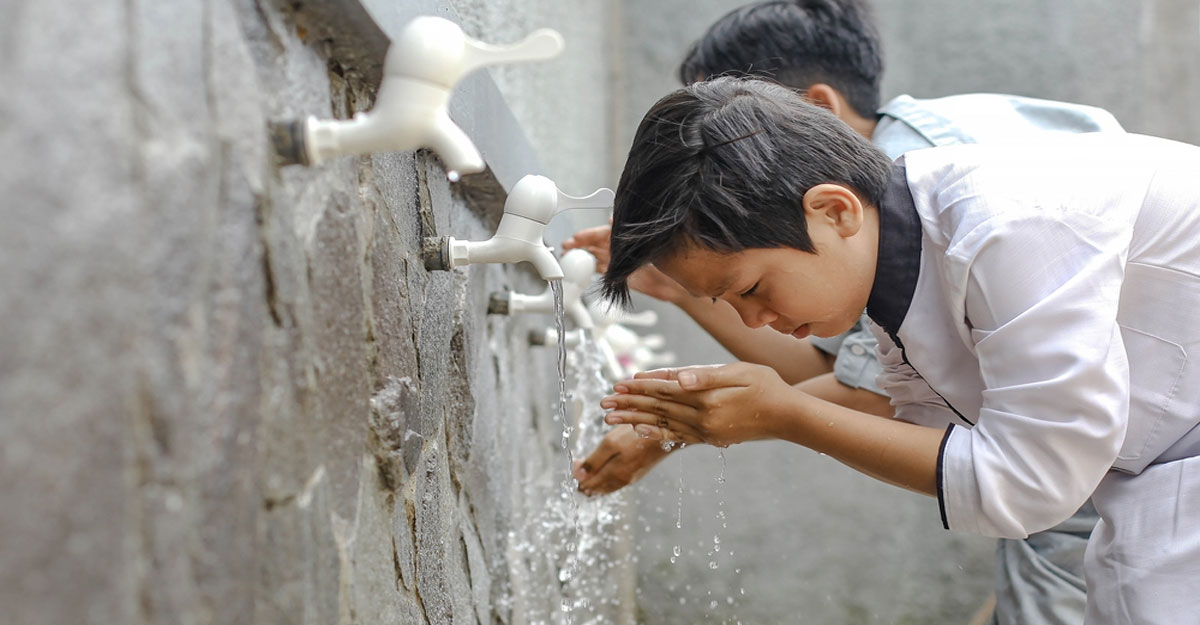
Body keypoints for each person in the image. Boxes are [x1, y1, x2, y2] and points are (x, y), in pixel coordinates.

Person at [565, 2, 1121, 622]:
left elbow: (865, 398)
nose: (715, 164)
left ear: (814, 112)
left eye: (738, 128)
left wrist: (717, 420)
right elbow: (841, 368)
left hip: (1102, 456)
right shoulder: (894, 193)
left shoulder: (926, 196)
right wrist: (694, 283)